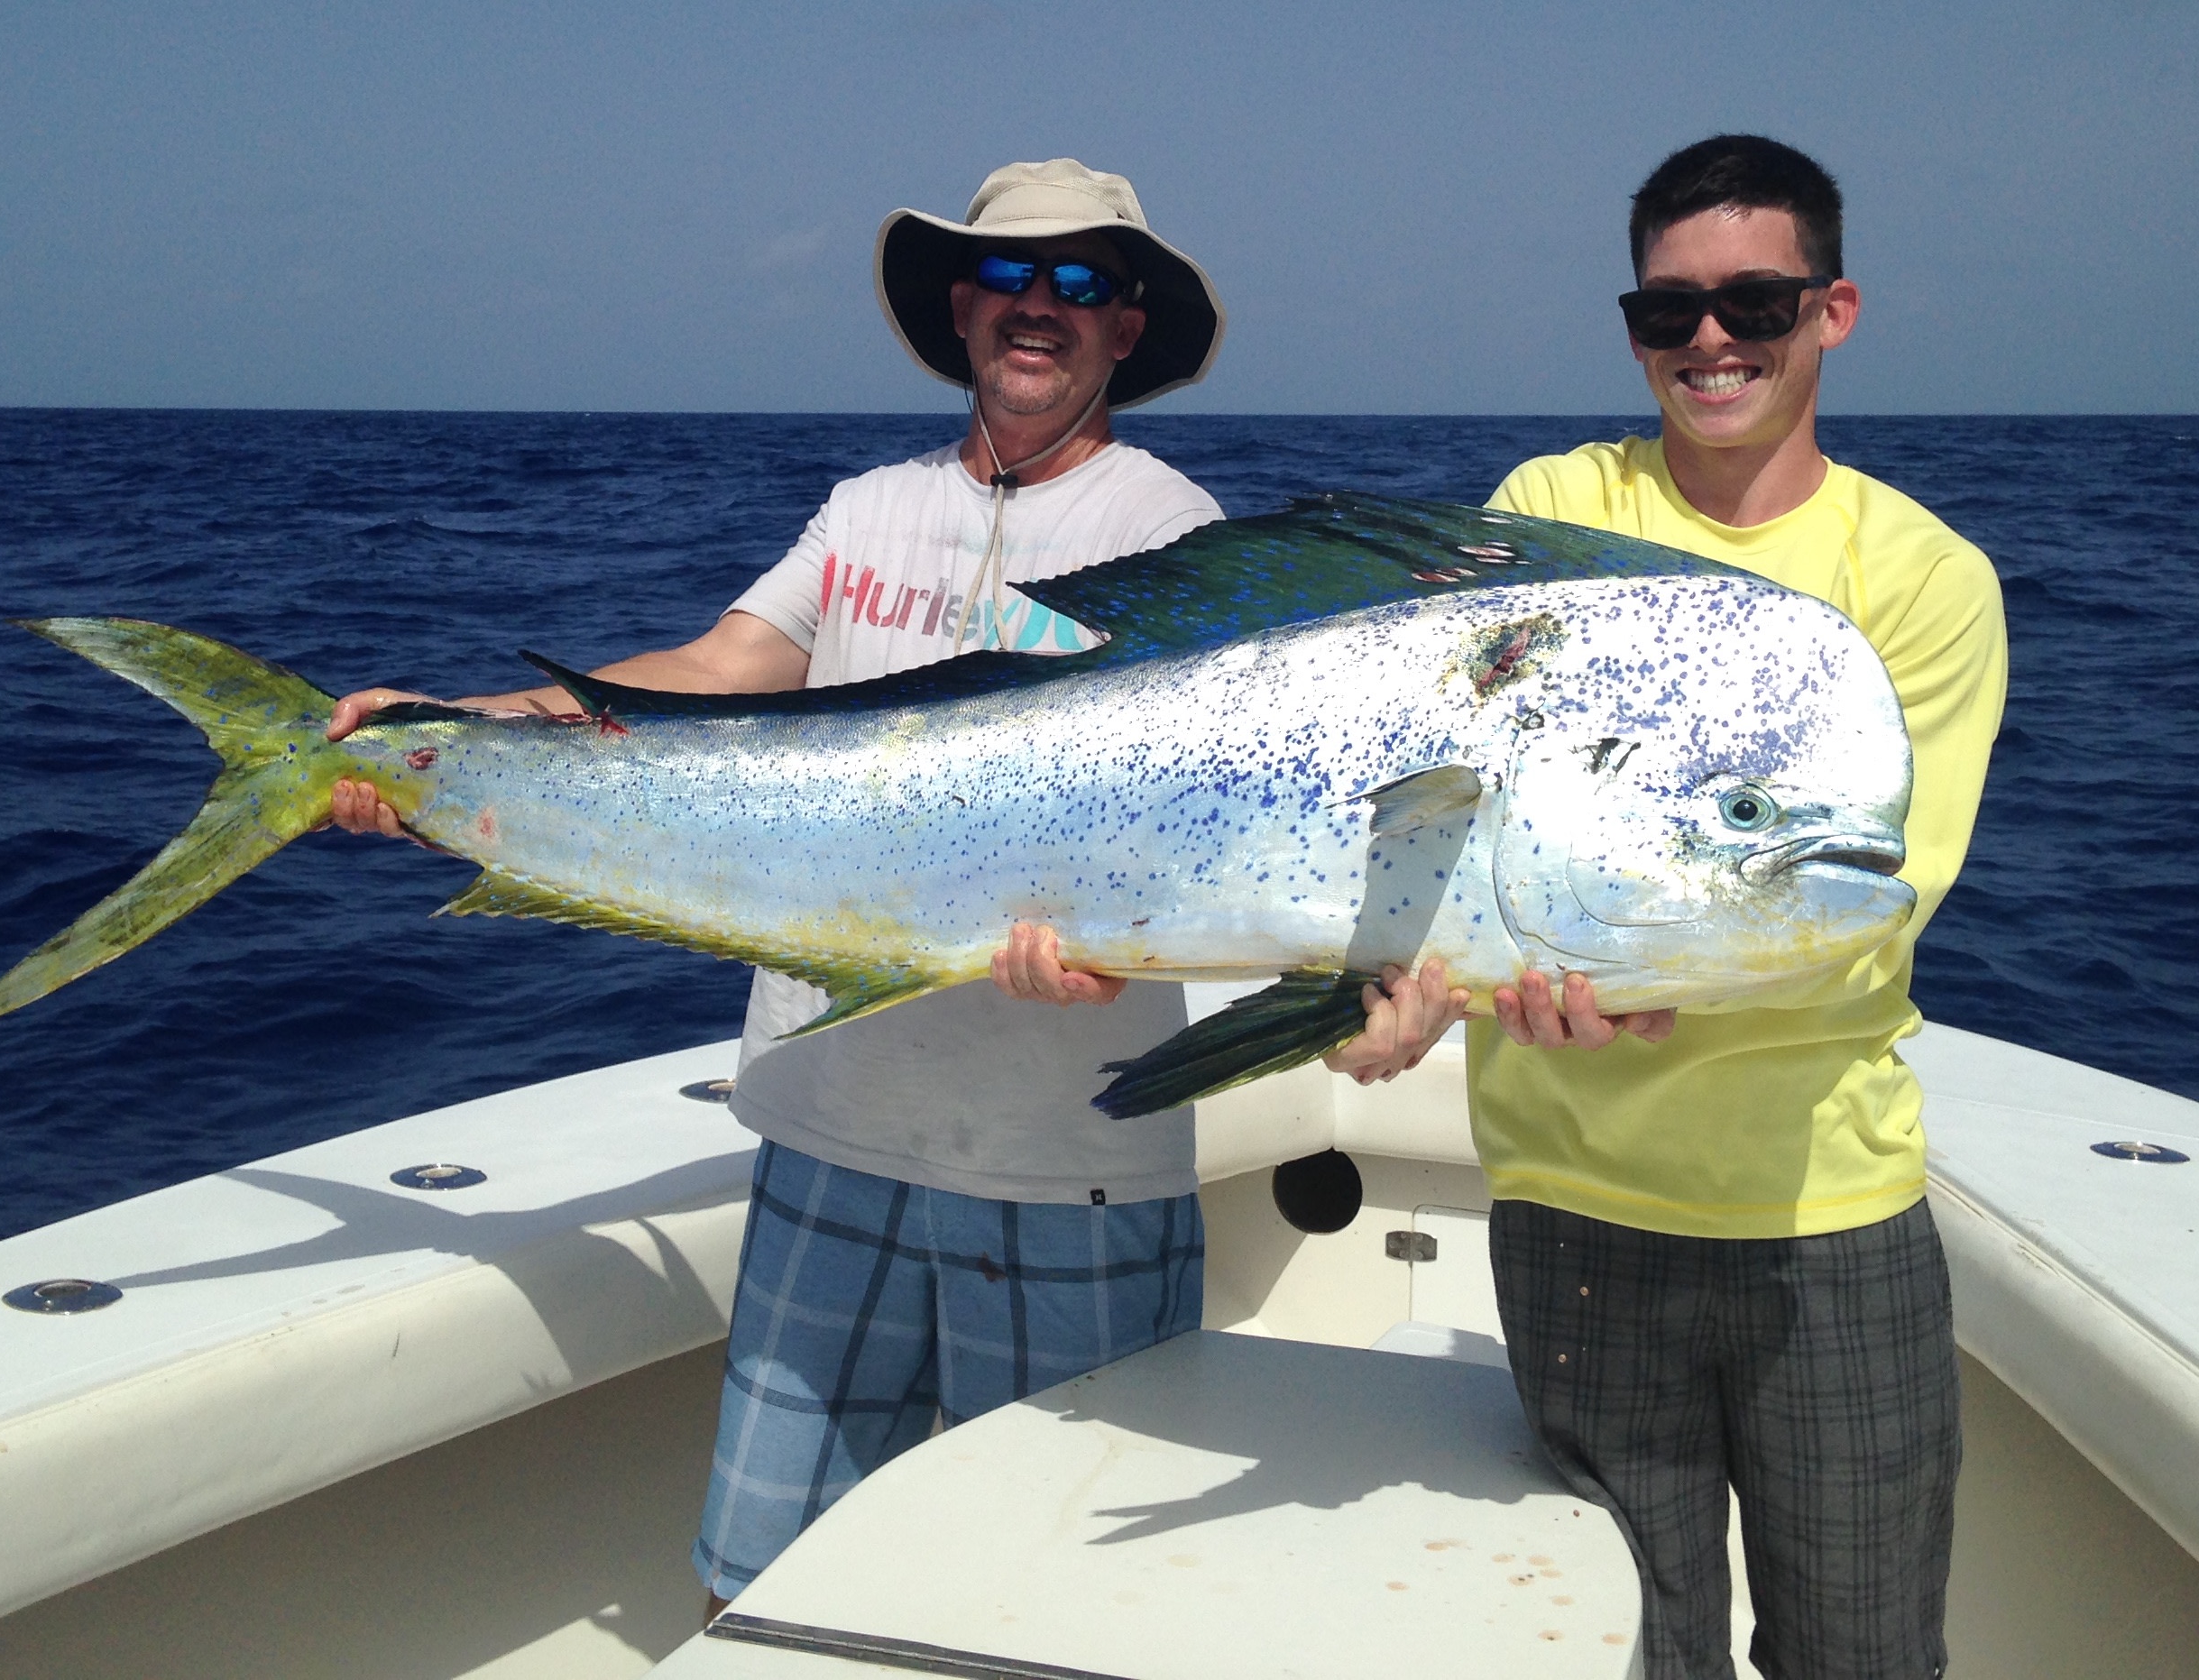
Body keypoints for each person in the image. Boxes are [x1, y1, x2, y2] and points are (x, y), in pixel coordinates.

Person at [321, 157, 1465, 1617]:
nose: (1038, 309)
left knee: (1059, 1598)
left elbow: (1240, 830)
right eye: (1010, 278)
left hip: (1073, 1172)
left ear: (1126, 330)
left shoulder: (1192, 542)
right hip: (828, 1136)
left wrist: (1149, 947)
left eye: (1082, 284)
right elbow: (719, 677)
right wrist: (450, 735)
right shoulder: (866, 508)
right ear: (959, 307)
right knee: (764, 1581)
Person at [1468, 135, 2008, 1679]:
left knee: (1863, 1657)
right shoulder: (1548, 508)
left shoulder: (1919, 574)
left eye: (1754, 301)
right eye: (1669, 312)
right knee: (1629, 1656)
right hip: (1573, 1210)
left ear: (1831, 310)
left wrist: (1650, 984)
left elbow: (1874, 904)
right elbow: (1462, 828)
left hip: (1820, 1219)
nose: (1711, 340)